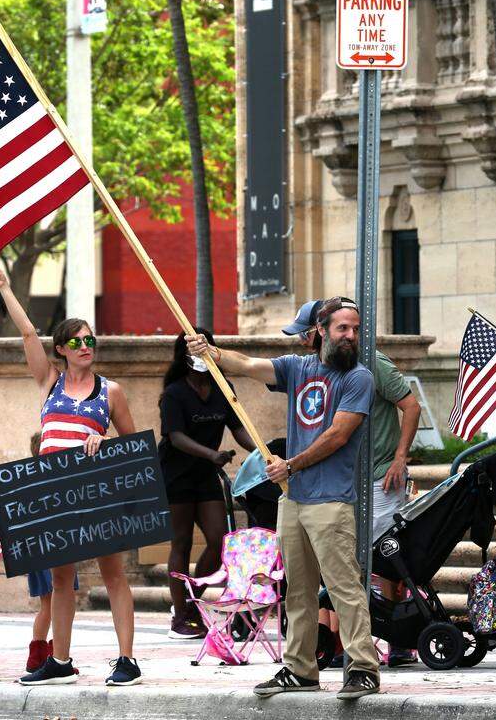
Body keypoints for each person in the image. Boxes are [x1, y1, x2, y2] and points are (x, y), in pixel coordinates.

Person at [187, 296, 382, 700]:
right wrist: (213, 352)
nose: (351, 336)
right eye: (342, 328)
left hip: (330, 500)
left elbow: (338, 435)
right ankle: (299, 669)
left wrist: (290, 465)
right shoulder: (298, 368)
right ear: (319, 333)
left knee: (344, 586)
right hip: (292, 501)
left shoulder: (359, 377)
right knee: (296, 589)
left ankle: (363, 668)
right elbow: (248, 366)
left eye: (356, 329)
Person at [0, 263, 141, 687]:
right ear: (62, 349)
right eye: (77, 340)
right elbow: (28, 334)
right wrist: (4, 289)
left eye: (90, 339)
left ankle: (127, 659)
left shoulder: (111, 391)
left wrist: (104, 445)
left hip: (96, 489)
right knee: (60, 578)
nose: (86, 345)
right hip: (55, 492)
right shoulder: (49, 382)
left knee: (113, 573)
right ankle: (60, 660)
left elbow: (135, 447)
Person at [286, 298, 423, 668]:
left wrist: (399, 458)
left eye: (302, 335)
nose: (300, 342)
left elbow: (411, 406)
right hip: (340, 482)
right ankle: (333, 644)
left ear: (317, 333)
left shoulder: (369, 366)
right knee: (341, 563)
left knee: (381, 558)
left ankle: (395, 641)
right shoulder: (312, 371)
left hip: (379, 476)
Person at [159, 329, 256, 639]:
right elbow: (175, 437)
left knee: (219, 539)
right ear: (183, 356)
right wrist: (212, 454)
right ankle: (181, 615)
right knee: (182, 542)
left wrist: (262, 451)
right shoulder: (174, 393)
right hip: (176, 475)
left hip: (206, 475)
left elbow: (238, 428)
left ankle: (192, 597)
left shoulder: (222, 387)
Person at [24, 432, 79, 673]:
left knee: (47, 605)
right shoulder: (48, 479)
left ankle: (39, 655)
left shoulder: (33, 481)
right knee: (54, 603)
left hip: (42, 550)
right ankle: (50, 655)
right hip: (50, 549)